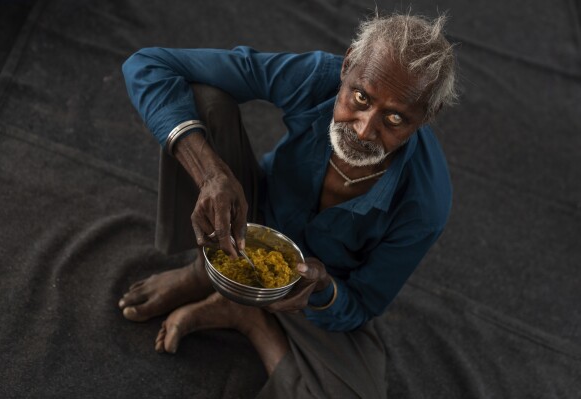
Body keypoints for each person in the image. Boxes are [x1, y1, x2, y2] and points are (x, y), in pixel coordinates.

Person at [119, 11, 456, 398]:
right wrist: (211, 174)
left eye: (395, 118)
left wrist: (322, 289)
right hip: (250, 215)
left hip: (310, 287)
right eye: (360, 97)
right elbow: (148, 65)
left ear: (427, 116)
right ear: (347, 66)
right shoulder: (316, 78)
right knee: (203, 97)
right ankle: (204, 270)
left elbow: (363, 303)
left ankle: (249, 318)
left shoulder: (426, 204)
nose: (364, 129)